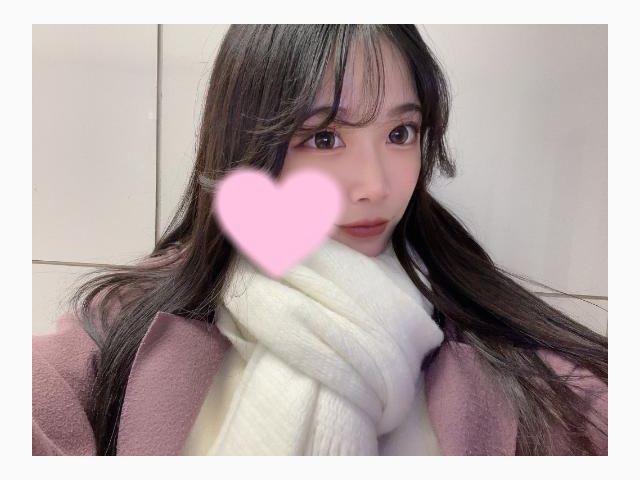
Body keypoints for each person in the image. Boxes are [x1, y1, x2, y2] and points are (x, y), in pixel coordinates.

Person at [32, 25, 607, 456]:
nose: (375, 186)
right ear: (246, 145)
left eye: (401, 132)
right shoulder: (126, 326)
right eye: (325, 138)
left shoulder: (490, 347)